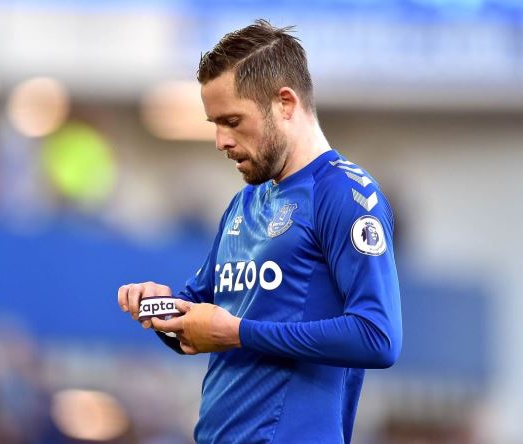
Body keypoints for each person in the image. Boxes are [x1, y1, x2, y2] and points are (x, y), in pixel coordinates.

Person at [118, 19, 402, 443]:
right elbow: (202, 318)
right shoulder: (245, 202)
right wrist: (162, 310)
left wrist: (239, 333)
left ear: (285, 103)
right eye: (215, 123)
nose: (220, 140)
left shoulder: (343, 194)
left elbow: (378, 336)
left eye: (232, 121)